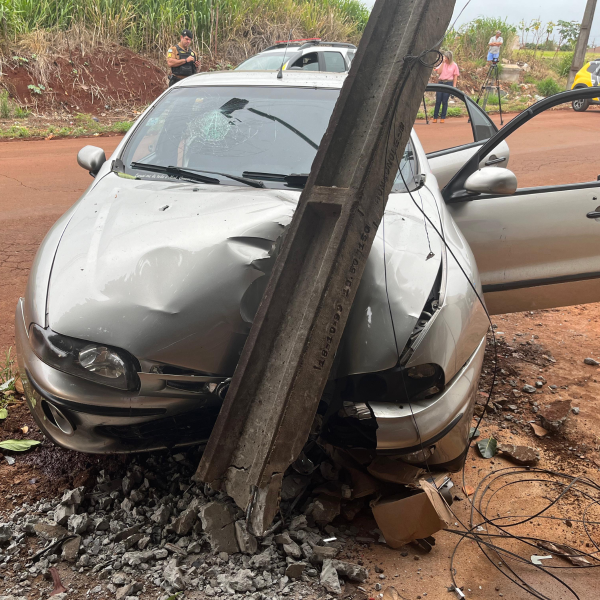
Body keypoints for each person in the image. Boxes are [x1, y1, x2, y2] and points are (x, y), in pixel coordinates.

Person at [433, 51, 459, 123]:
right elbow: (438, 72)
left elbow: (455, 76)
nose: (444, 58)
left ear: (449, 58)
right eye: (444, 57)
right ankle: (435, 117)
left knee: (444, 101)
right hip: (441, 82)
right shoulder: (442, 64)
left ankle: (443, 117)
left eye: (445, 57)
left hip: (448, 83)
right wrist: (442, 63)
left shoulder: (454, 65)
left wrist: (454, 86)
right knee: (438, 100)